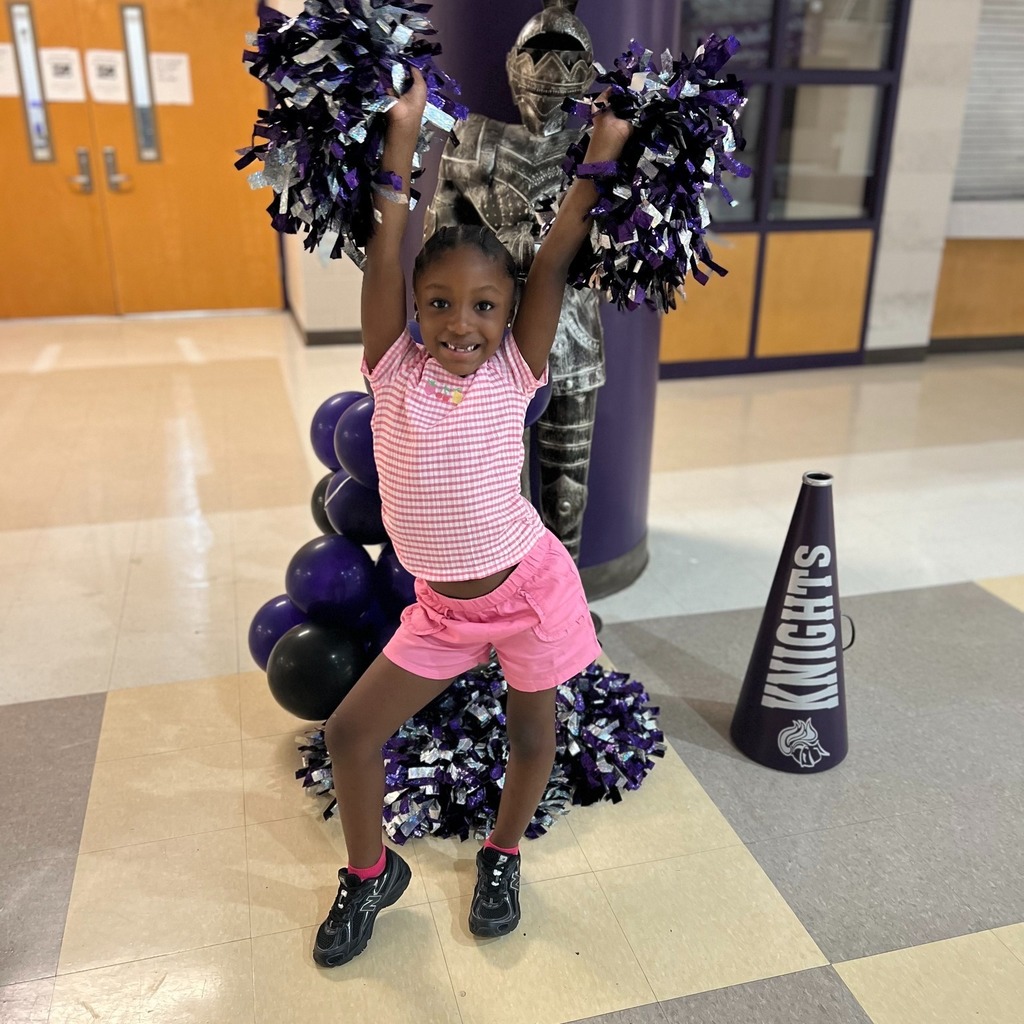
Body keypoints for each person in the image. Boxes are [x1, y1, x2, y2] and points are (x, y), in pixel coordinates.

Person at [313, 68, 630, 969]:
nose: (463, 324)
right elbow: (384, 251)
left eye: (485, 307)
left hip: (529, 592)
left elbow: (560, 254)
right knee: (350, 733)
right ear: (414, 310)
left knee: (534, 737)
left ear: (507, 316)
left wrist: (600, 154)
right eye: (441, 304)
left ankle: (502, 854)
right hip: (443, 613)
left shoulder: (514, 373)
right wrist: (403, 139)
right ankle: (371, 874)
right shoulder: (393, 369)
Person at [425, 0, 604, 561]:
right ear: (513, 61)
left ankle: (563, 619)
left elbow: (618, 257)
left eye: (568, 59)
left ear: (588, 71)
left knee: (566, 493)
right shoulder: (473, 138)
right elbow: (439, 245)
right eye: (538, 55)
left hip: (573, 335)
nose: (550, 74)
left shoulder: (598, 148)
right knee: (496, 492)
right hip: (489, 341)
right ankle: (508, 615)